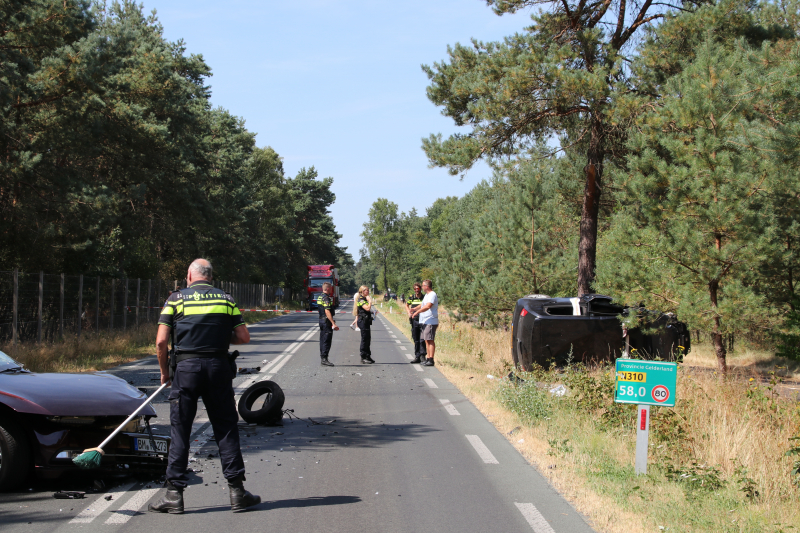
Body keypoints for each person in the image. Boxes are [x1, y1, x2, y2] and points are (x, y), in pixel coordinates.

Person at [149, 259, 260, 514]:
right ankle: (237, 493)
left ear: (189, 275)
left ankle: (174, 495)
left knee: (181, 431)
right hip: (218, 368)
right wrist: (220, 337)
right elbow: (243, 336)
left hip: (186, 370)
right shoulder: (225, 299)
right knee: (225, 428)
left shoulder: (175, 299)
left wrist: (165, 372)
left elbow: (161, 343)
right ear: (211, 277)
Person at [411, 279, 438, 366]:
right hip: (425, 321)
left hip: (430, 320)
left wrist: (418, 312)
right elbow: (422, 305)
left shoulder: (432, 295)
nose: (422, 287)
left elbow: (428, 306)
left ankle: (431, 359)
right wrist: (415, 309)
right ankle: (428, 358)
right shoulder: (427, 295)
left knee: (430, 340)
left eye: (422, 286)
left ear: (426, 286)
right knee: (426, 340)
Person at [317, 282, 339, 367]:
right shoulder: (326, 298)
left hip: (321, 320)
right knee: (327, 340)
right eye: (331, 288)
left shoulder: (320, 297)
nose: (332, 289)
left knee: (322, 339)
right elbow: (327, 311)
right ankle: (324, 359)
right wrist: (333, 323)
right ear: (328, 288)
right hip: (326, 322)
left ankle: (323, 357)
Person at [405, 282, 427, 364]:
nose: (416, 290)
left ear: (420, 289)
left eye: (418, 288)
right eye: (415, 289)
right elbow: (406, 305)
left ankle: (423, 356)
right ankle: (417, 356)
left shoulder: (424, 297)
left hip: (423, 320)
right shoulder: (412, 297)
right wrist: (408, 313)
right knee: (416, 338)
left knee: (423, 339)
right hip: (414, 320)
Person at [355, 285, 376, 364]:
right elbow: (367, 308)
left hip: (366, 321)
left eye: (368, 290)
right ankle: (363, 357)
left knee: (368, 339)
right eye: (366, 290)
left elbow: (367, 310)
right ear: (362, 291)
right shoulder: (361, 299)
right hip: (362, 321)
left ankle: (368, 356)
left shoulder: (364, 299)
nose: (368, 291)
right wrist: (370, 301)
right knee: (364, 339)